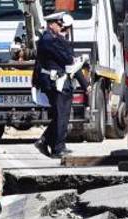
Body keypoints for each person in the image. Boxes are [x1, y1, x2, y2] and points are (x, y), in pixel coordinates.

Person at [34, 12, 87, 158]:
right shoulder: (49, 40)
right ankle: (57, 147)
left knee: (61, 114)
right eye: (60, 25)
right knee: (61, 114)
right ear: (51, 24)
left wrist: (85, 84)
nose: (63, 28)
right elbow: (68, 59)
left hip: (60, 81)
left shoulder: (54, 39)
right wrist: (64, 40)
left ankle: (47, 142)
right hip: (55, 82)